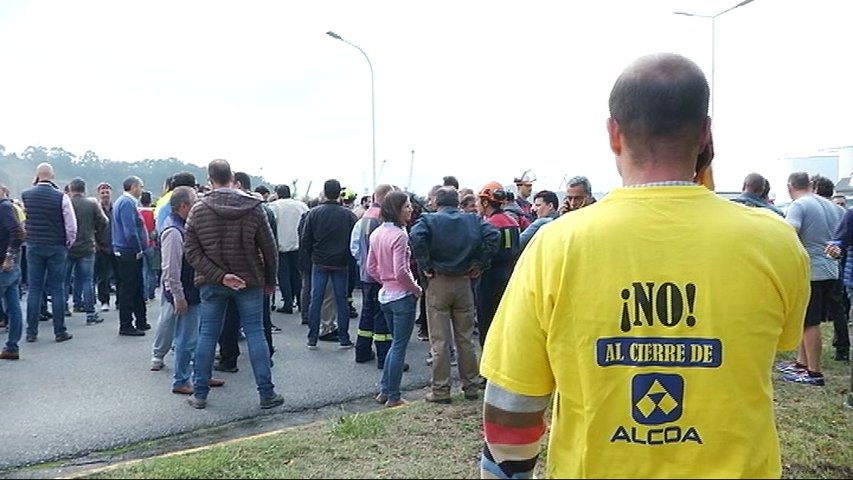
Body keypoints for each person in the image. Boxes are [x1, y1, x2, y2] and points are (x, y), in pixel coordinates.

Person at [480, 53, 810, 479]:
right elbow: (781, 343)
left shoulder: (556, 244)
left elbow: (511, 410)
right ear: (706, 132)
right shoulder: (775, 240)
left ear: (613, 133)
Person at [183, 159, 282, 410]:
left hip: (211, 283)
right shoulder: (254, 207)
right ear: (232, 177)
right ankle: (266, 393)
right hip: (250, 280)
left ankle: (201, 393)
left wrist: (219, 276)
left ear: (209, 179)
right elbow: (270, 250)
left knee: (207, 335)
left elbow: (192, 253)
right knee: (256, 333)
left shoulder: (198, 209)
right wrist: (270, 280)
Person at [410, 186, 499, 403]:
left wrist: (425, 264)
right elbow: (493, 235)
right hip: (464, 281)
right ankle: (470, 386)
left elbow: (415, 236)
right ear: (457, 203)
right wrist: (480, 262)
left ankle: (441, 390)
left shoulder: (428, 220)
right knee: (466, 339)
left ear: (436, 203)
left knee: (440, 340)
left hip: (438, 280)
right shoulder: (472, 220)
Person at [777, 171, 843, 386]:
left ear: (790, 186)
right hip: (831, 269)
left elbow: (789, 234)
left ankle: (814, 372)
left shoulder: (799, 205)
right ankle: (801, 363)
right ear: (811, 184)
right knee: (804, 319)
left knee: (809, 322)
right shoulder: (833, 206)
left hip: (811, 270)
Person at [366, 191, 422, 407]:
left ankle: (385, 390)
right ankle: (394, 395)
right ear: (396, 209)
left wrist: (385, 280)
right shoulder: (400, 235)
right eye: (406, 206)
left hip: (386, 295)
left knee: (393, 345)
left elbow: (371, 267)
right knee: (399, 346)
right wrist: (415, 288)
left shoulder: (377, 233)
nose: (410, 209)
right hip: (401, 296)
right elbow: (401, 270)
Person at [21, 163, 76, 343]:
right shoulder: (62, 197)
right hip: (56, 246)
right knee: (57, 288)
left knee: (34, 289)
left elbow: (25, 220)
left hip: (34, 245)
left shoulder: (26, 195)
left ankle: (31, 331)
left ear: (36, 176)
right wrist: (68, 243)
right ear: (52, 176)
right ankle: (60, 331)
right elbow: (71, 225)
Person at [301, 180, 358, 350]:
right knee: (341, 301)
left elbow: (306, 240)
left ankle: (312, 338)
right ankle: (344, 338)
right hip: (341, 263)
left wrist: (313, 255)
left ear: (324, 193)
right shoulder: (348, 215)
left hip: (319, 261)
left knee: (316, 299)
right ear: (339, 193)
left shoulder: (314, 213)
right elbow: (353, 240)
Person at [66, 178, 108, 325]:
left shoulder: (66, 203)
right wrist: (95, 232)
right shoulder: (91, 204)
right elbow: (104, 221)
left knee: (64, 280)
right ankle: (90, 313)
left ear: (71, 189)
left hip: (68, 247)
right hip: (87, 246)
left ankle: (65, 307)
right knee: (87, 281)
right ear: (84, 189)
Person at [112, 176, 150, 336]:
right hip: (129, 251)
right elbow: (130, 230)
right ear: (133, 187)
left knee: (134, 287)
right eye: (140, 186)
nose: (142, 190)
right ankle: (126, 324)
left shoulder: (122, 202)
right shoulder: (127, 203)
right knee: (129, 288)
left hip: (125, 250)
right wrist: (138, 249)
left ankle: (141, 320)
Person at [267, 184, 309, 314]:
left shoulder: (275, 206)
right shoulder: (301, 205)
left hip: (281, 245)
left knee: (283, 275)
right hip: (298, 245)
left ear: (278, 194)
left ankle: (288, 302)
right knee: (296, 274)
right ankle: (301, 301)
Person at [0, 184, 25, 359]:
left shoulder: (4, 207)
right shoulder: (8, 207)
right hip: (10, 264)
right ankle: (12, 347)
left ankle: (12, 346)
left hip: (4, 265)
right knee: (13, 305)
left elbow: (18, 232)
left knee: (13, 306)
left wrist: (9, 256)